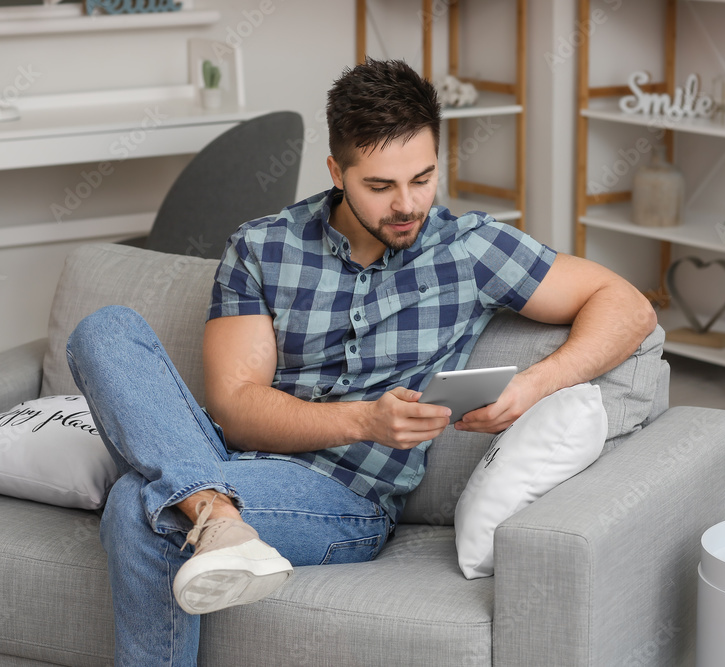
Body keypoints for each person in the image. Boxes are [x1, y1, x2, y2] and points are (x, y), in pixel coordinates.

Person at [66, 58, 656, 666]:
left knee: (138, 503)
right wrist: (363, 420)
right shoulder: (263, 246)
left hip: (345, 502)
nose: (407, 205)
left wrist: (535, 384)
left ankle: (206, 510)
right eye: (380, 187)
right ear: (336, 172)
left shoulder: (473, 249)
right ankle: (216, 512)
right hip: (233, 460)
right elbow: (236, 408)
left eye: (423, 179)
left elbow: (628, 306)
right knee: (104, 329)